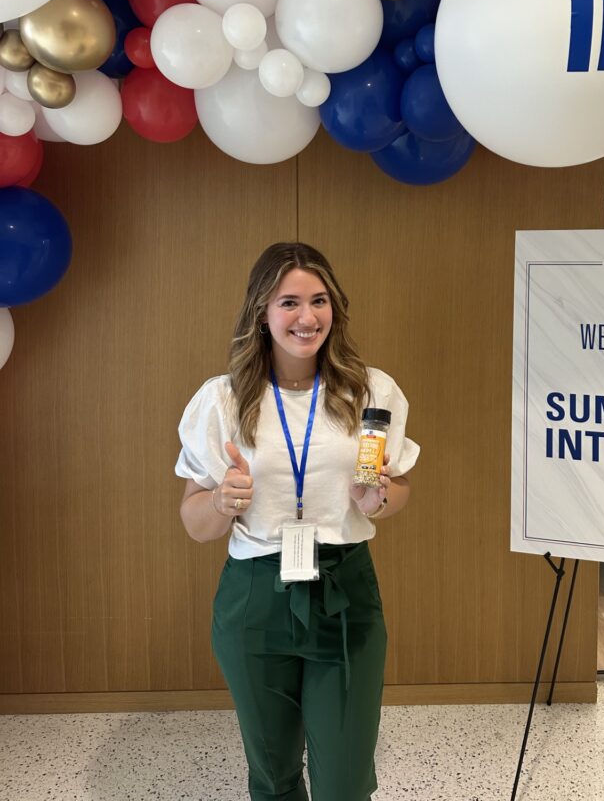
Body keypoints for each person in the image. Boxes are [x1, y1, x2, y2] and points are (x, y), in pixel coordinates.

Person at [175, 241, 419, 801]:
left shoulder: (369, 391)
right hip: (254, 595)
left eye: (319, 301)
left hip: (344, 590)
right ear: (262, 312)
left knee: (343, 779)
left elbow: (399, 489)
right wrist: (220, 502)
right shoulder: (224, 400)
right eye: (289, 302)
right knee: (274, 773)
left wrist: (377, 497)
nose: (306, 318)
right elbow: (194, 521)